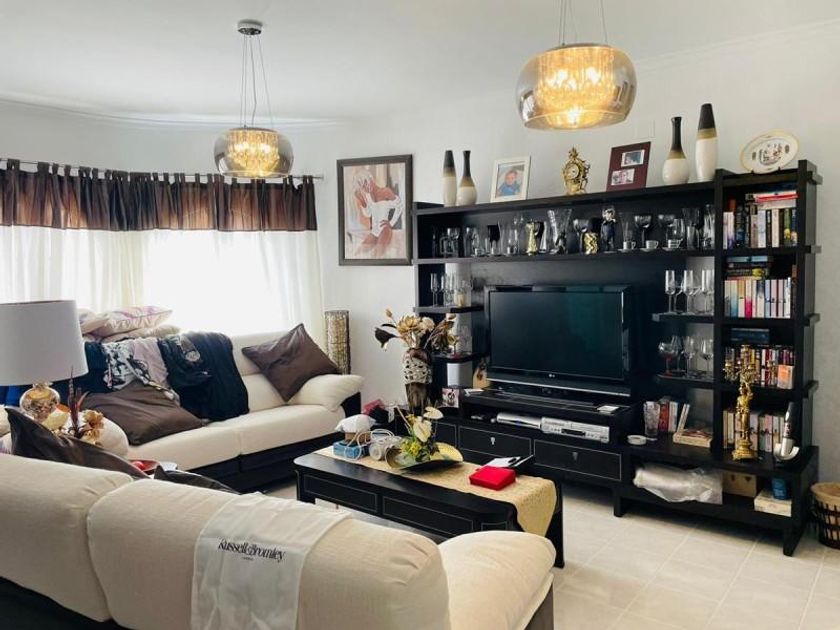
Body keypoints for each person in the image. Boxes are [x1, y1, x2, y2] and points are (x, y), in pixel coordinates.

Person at [350, 169, 405, 258]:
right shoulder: (367, 196)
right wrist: (362, 202)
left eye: (366, 183)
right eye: (363, 187)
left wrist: (391, 223)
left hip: (385, 229)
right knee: (358, 254)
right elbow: (368, 214)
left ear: (371, 179)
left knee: (377, 256)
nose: (366, 188)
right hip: (374, 232)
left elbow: (400, 206)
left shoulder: (386, 191)